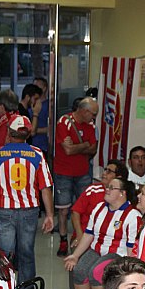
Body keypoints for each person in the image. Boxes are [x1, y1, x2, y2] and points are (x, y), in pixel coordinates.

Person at [0, 115, 54, 289]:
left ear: (8, 132)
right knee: (26, 251)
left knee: (4, 252)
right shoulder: (38, 155)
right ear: (29, 134)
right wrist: (50, 215)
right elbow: (45, 187)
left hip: (3, 209)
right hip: (29, 210)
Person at [64, 177, 141, 289]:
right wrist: (75, 255)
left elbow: (132, 248)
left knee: (96, 271)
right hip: (97, 250)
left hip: (117, 254)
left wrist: (130, 271)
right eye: (108, 186)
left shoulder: (133, 215)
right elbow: (88, 234)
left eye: (112, 187)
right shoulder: (99, 208)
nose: (107, 189)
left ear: (122, 193)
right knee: (78, 270)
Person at [66, 160, 128, 289]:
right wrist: (79, 236)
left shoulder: (125, 205)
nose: (104, 173)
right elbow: (75, 212)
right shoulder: (93, 190)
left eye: (109, 171)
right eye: (105, 169)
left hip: (109, 244)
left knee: (96, 269)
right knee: (76, 260)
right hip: (87, 237)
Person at [54, 97, 99, 257]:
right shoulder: (64, 122)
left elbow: (93, 148)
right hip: (63, 172)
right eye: (93, 114)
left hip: (83, 172)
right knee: (64, 209)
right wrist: (85, 145)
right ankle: (63, 239)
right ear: (84, 111)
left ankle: (79, 238)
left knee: (84, 208)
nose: (94, 118)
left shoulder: (90, 125)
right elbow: (68, 151)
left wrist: (78, 146)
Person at [32, 76, 50, 156]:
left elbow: (51, 128)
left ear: (44, 88)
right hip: (30, 146)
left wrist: (33, 130)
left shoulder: (49, 106)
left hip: (43, 146)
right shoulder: (30, 105)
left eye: (37, 87)